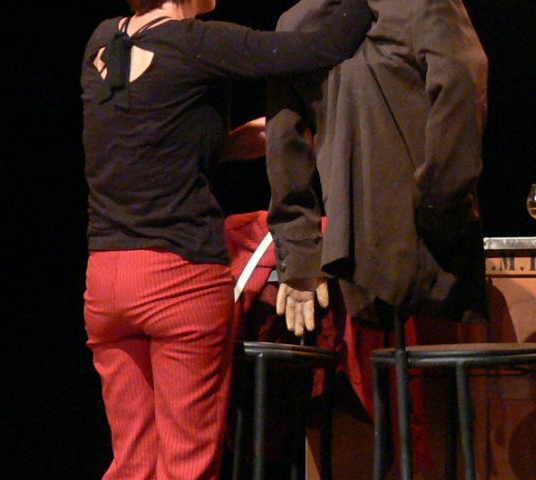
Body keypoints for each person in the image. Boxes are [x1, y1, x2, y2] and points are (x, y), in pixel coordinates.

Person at [80, 0, 371, 478]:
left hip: (107, 283)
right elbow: (323, 45)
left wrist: (250, 140)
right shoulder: (197, 42)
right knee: (187, 465)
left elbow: (150, 147)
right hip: (178, 279)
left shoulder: (103, 42)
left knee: (133, 464)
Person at [266, 0, 488, 337]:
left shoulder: (296, 21)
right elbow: (462, 85)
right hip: (428, 253)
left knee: (384, 365)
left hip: (350, 258)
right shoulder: (420, 3)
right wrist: (439, 208)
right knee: (433, 364)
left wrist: (299, 254)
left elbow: (284, 145)